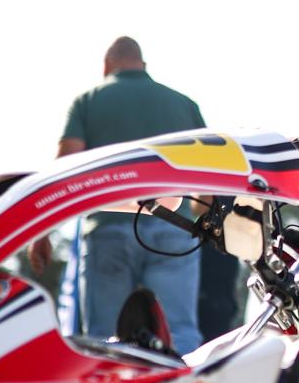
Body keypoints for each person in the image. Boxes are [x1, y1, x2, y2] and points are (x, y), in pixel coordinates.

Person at [29, 37, 209, 352]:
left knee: (104, 336)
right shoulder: (184, 104)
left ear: (106, 66)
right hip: (173, 229)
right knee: (180, 330)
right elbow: (205, 181)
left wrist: (41, 230)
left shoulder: (89, 101)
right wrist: (204, 228)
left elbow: (64, 168)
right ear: (144, 66)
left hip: (108, 231)